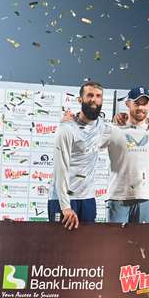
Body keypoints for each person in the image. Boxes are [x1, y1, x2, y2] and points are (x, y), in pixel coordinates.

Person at [49, 81, 111, 230]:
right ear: (80, 100)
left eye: (98, 96)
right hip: (63, 200)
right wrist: (65, 206)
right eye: (89, 95)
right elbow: (60, 169)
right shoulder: (67, 129)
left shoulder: (103, 127)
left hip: (88, 199)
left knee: (87, 248)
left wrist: (121, 120)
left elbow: (122, 133)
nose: (94, 100)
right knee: (60, 248)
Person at [106, 86, 149, 223]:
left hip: (145, 197)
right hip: (118, 197)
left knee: (146, 243)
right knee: (115, 243)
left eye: (144, 103)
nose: (141, 107)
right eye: (136, 103)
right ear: (128, 104)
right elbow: (89, 145)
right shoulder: (113, 128)